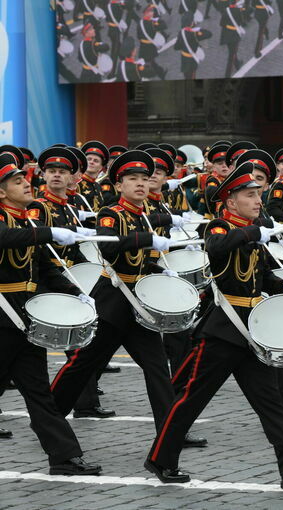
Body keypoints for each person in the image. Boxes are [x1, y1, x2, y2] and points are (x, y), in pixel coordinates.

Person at [146, 161, 283, 488]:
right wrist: (251, 232)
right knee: (192, 398)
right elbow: (216, 248)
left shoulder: (253, 229)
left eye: (259, 194)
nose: (258, 200)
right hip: (223, 330)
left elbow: (258, 278)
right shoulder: (219, 226)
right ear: (231, 201)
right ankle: (160, 458)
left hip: (252, 329)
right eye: (249, 195)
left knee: (271, 402)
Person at [50, 150, 206, 449]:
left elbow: (144, 260)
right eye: (132, 179)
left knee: (157, 367)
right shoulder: (111, 213)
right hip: (113, 301)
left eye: (144, 179)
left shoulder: (146, 215)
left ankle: (171, 430)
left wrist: (164, 269)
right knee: (83, 364)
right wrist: (146, 239)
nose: (140, 184)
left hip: (139, 304)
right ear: (119, 185)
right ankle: (50, 415)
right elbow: (108, 249)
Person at [0, 152, 102, 475]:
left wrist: (79, 293)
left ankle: (64, 457)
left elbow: (45, 268)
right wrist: (50, 233)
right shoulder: (7, 222)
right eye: (18, 181)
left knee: (39, 392)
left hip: (25, 317)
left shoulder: (27, 221)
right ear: (1, 192)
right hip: (2, 317)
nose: (27, 184)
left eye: (25, 178)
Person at [28, 146, 113, 419]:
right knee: (24, 354)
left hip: (65, 281)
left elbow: (74, 251)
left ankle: (84, 404)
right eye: (51, 171)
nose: (56, 175)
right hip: (42, 283)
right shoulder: (37, 207)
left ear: (71, 177)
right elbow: (38, 248)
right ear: (43, 175)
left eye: (62, 172)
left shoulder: (69, 209)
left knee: (79, 345)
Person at [78, 140, 109, 211]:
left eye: (96, 161)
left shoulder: (98, 186)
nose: (91, 162)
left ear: (101, 167)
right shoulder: (77, 183)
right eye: (89, 159)